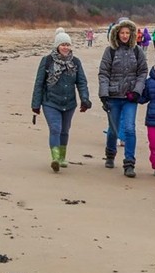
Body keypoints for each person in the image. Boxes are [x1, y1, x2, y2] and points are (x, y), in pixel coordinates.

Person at [31, 31, 91, 172]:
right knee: (55, 128)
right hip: (50, 102)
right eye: (63, 44)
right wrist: (35, 104)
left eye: (67, 45)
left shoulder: (75, 62)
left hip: (69, 103)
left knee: (65, 131)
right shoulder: (47, 61)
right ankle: (55, 158)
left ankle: (63, 157)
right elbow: (39, 83)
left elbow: (81, 82)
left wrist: (85, 99)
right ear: (57, 46)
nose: (65, 47)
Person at [98, 18, 148, 177]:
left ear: (132, 34)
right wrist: (104, 94)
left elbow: (142, 73)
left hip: (130, 98)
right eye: (122, 32)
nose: (125, 35)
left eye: (127, 32)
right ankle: (110, 154)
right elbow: (104, 73)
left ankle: (129, 163)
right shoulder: (110, 51)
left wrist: (137, 91)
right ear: (117, 33)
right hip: (113, 97)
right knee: (113, 130)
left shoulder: (137, 51)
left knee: (129, 129)